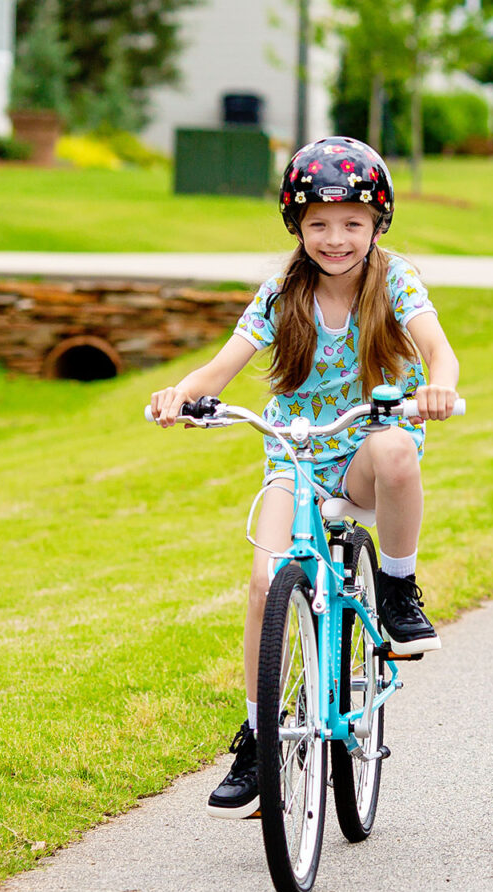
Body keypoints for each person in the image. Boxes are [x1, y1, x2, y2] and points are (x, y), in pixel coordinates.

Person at [149, 136, 460, 820]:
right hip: (295, 453)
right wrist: (182, 394)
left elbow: (438, 349)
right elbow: (221, 368)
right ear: (296, 226)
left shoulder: (396, 279)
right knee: (265, 580)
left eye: (352, 222)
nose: (335, 238)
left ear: (378, 223)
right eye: (318, 223)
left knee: (397, 449)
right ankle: (260, 739)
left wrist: (438, 386)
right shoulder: (284, 290)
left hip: (365, 453)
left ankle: (400, 590)